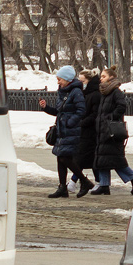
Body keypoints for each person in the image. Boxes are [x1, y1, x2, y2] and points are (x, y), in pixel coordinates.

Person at [89, 65, 133, 196]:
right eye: (101, 76)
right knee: (102, 159)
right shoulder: (105, 92)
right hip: (103, 129)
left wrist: (110, 117)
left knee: (114, 159)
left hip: (111, 130)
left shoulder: (116, 92)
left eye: (104, 76)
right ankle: (104, 185)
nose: (101, 79)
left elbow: (121, 106)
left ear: (111, 78)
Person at [38, 65, 91, 198]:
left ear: (67, 79)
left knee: (65, 158)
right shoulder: (63, 91)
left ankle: (84, 181)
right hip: (62, 129)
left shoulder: (76, 92)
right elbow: (59, 111)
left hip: (70, 130)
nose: (58, 82)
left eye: (60, 79)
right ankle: (62, 187)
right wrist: (46, 108)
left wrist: (70, 122)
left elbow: (81, 110)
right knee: (60, 158)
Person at [75, 69, 101, 195]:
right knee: (86, 158)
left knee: (82, 158)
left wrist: (82, 122)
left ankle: (78, 182)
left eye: (83, 81)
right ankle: (97, 182)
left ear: (89, 81)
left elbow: (94, 114)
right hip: (84, 130)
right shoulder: (84, 93)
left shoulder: (94, 94)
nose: (81, 83)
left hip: (90, 131)